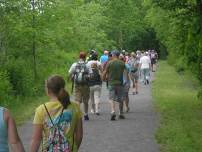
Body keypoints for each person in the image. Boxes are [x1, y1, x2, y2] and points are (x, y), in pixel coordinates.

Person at [30, 75, 83, 152]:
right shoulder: (75, 107)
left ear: (48, 91)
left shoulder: (41, 110)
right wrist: (74, 148)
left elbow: (36, 139)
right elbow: (79, 135)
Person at [103, 50, 127, 120]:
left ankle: (113, 111)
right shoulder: (122, 63)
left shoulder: (110, 63)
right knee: (120, 99)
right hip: (120, 83)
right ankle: (121, 113)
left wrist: (103, 78)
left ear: (113, 55)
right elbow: (125, 72)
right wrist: (125, 81)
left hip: (111, 83)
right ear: (118, 55)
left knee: (112, 98)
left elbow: (105, 72)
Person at [69, 52, 90, 121]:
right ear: (85, 57)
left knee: (78, 100)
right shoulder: (87, 65)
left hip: (77, 85)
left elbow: (70, 73)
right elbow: (91, 75)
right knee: (85, 100)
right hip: (86, 85)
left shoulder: (74, 64)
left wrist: (72, 79)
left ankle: (78, 114)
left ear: (79, 57)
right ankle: (86, 114)